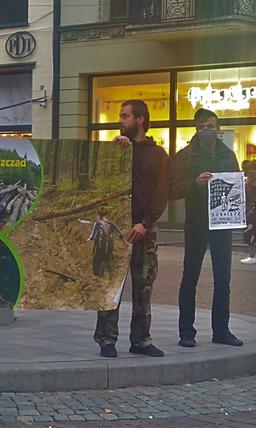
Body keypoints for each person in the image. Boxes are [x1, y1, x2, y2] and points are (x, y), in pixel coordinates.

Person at [94, 100, 170, 358]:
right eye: (120, 115)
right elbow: (101, 184)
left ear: (140, 119)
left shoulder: (158, 155)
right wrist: (114, 153)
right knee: (110, 285)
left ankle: (141, 339)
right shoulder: (117, 150)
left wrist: (145, 224)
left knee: (144, 286)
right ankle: (106, 339)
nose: (120, 120)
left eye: (125, 116)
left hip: (144, 232)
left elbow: (161, 194)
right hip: (115, 231)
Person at [171, 108, 243, 348]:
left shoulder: (228, 155)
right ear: (196, 129)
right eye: (202, 127)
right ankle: (186, 332)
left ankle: (221, 330)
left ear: (219, 128)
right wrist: (195, 183)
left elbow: (236, 188)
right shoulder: (185, 156)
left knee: (223, 278)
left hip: (222, 225)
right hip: (196, 224)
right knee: (190, 277)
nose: (206, 131)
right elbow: (172, 190)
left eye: (210, 126)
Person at [241, 170, 256, 265]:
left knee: (249, 233)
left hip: (251, 213)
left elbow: (248, 198)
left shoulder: (251, 188)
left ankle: (252, 256)